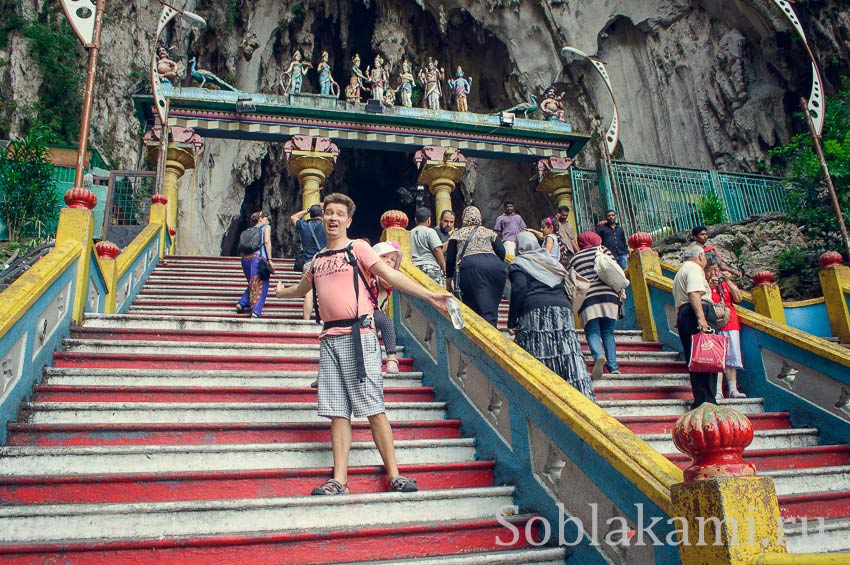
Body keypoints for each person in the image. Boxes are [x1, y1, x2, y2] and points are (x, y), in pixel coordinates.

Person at [276, 193, 451, 496]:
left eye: (339, 214)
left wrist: (429, 295)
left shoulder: (358, 248)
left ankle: (395, 475)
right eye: (328, 213)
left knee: (374, 406)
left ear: (348, 220)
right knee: (337, 410)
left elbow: (389, 274)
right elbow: (301, 289)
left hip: (360, 336)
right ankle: (339, 480)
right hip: (329, 339)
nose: (333, 218)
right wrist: (279, 293)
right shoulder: (317, 260)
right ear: (322, 218)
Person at [508, 232, 596, 401]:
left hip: (537, 311)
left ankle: (548, 395)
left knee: (541, 348)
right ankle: (580, 397)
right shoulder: (552, 262)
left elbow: (519, 288)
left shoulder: (518, 263)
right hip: (563, 310)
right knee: (567, 350)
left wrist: (512, 320)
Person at [570, 231, 626, 379]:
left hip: (588, 298)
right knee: (608, 332)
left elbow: (572, 280)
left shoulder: (575, 258)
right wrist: (621, 290)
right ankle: (613, 367)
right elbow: (616, 272)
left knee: (592, 331)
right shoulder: (603, 251)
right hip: (609, 296)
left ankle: (598, 356)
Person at [672, 245, 719, 409]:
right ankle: (708, 400)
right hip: (697, 312)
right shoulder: (694, 268)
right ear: (700, 256)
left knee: (695, 358)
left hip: (685, 314)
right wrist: (702, 319)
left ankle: (701, 398)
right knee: (707, 357)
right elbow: (694, 294)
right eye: (704, 257)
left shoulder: (682, 271)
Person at [445, 206, 507, 326]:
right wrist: (492, 263)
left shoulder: (457, 234)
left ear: (464, 218)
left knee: (474, 307)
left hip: (470, 268)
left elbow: (451, 259)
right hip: (496, 268)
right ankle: (492, 332)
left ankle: (483, 336)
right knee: (491, 307)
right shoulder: (489, 232)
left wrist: (448, 282)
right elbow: (502, 251)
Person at [705, 254, 746, 400]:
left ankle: (733, 389)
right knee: (716, 358)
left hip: (730, 321)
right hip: (712, 323)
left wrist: (727, 280)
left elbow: (738, 298)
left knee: (731, 356)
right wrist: (709, 286)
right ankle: (717, 390)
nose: (714, 273)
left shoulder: (724, 283)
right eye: (711, 270)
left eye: (716, 269)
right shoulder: (704, 283)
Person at [291, 204, 328, 320]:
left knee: (309, 293)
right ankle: (326, 319)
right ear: (322, 214)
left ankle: (306, 319)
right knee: (326, 292)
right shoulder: (327, 226)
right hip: (324, 262)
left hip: (308, 263)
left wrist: (308, 210)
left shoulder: (304, 225)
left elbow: (293, 217)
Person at [371, 242, 402, 374]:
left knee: (386, 321)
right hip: (355, 311)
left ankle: (391, 358)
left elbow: (387, 282)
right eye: (384, 257)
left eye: (392, 260)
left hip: (373, 312)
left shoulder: (384, 278)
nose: (388, 261)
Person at [236, 211, 274, 318]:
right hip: (258, 258)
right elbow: (267, 242)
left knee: (254, 282)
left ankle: (242, 303)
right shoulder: (266, 227)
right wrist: (270, 259)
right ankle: (255, 311)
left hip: (245, 260)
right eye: (266, 218)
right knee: (262, 283)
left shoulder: (248, 231)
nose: (268, 221)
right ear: (260, 219)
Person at [410, 207, 447, 286]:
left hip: (414, 268)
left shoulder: (409, 233)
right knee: (437, 295)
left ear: (416, 219)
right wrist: (444, 266)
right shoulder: (430, 231)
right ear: (429, 220)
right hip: (430, 267)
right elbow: (437, 249)